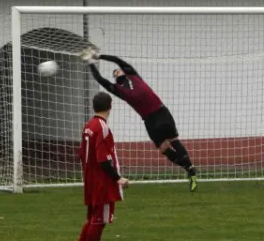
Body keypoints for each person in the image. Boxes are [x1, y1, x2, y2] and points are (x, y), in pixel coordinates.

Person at [80, 48, 198, 192]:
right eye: (114, 73)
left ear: (123, 72)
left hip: (157, 115)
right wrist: (92, 61)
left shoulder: (129, 79)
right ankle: (189, 168)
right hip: (154, 117)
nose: (116, 71)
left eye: (117, 70)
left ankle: (190, 168)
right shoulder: (123, 86)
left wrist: (96, 58)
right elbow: (102, 77)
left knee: (172, 142)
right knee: (166, 146)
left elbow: (116, 62)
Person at [69, 92, 129, 241]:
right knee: (99, 220)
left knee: (93, 218)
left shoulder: (88, 125)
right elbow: (104, 159)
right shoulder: (101, 127)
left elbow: (82, 154)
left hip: (89, 179)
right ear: (110, 106)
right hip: (101, 182)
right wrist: (118, 178)